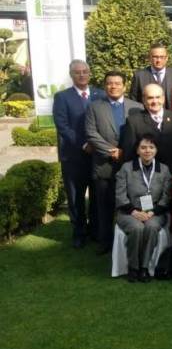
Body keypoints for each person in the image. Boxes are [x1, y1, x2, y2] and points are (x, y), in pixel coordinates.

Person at [85, 71, 143, 255]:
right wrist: (113, 151)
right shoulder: (94, 107)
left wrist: (125, 152)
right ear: (105, 86)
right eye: (110, 83)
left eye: (118, 83)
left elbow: (141, 133)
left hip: (130, 164)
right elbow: (91, 133)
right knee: (104, 206)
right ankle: (105, 242)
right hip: (104, 165)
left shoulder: (137, 107)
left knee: (131, 204)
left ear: (124, 86)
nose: (113, 86)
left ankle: (132, 241)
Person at [52, 60, 105, 248]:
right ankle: (79, 232)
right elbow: (62, 125)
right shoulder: (62, 97)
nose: (81, 75)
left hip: (97, 156)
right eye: (77, 72)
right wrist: (83, 144)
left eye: (84, 71)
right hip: (74, 156)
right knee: (76, 197)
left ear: (90, 73)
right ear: (71, 75)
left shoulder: (100, 95)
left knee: (97, 195)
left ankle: (95, 230)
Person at [114, 134, 172, 282]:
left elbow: (167, 196)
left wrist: (153, 212)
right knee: (137, 228)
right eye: (143, 147)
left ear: (156, 150)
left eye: (151, 147)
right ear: (137, 150)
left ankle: (144, 268)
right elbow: (120, 194)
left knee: (151, 227)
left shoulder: (164, 169)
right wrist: (134, 212)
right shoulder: (126, 168)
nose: (147, 150)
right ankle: (133, 267)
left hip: (155, 213)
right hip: (129, 212)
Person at [121, 83, 172, 173]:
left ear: (163, 98)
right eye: (150, 98)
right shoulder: (133, 121)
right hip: (146, 174)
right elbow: (129, 152)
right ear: (144, 100)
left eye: (158, 97)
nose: (155, 101)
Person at [128, 42, 172, 108]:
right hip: (146, 113)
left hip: (170, 113)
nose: (159, 60)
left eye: (162, 57)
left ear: (167, 58)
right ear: (149, 58)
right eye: (155, 57)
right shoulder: (139, 76)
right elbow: (133, 99)